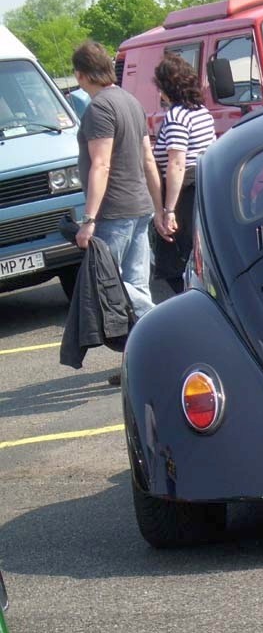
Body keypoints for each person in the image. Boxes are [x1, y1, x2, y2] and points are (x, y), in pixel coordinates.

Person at [71, 41, 170, 381]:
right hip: (139, 206)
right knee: (133, 284)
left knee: (113, 288)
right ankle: (142, 362)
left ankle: (168, 335)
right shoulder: (130, 101)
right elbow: (148, 160)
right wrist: (159, 207)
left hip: (115, 211)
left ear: (81, 74)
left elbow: (101, 165)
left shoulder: (99, 108)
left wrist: (88, 219)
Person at [151, 53, 216, 293]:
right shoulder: (201, 112)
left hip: (184, 194)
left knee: (173, 265)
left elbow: (177, 163)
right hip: (203, 186)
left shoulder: (176, 116)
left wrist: (168, 211)